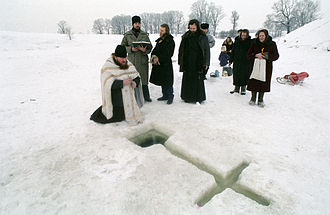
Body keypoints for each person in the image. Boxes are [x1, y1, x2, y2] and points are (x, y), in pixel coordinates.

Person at [90, 45, 144, 125]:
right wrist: (122, 83)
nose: (124, 60)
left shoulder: (128, 63)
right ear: (115, 57)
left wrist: (135, 82)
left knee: (125, 115)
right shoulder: (108, 66)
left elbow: (137, 76)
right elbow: (107, 84)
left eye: (125, 58)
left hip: (130, 100)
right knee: (113, 117)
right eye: (122, 58)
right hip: (116, 101)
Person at [121, 15, 153, 102]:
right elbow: (122, 48)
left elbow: (150, 48)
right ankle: (132, 97)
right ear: (132, 24)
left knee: (144, 79)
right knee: (132, 79)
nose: (137, 25)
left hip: (142, 61)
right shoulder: (127, 35)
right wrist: (131, 49)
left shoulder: (144, 35)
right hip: (132, 61)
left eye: (139, 23)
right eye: (135, 23)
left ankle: (146, 96)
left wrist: (144, 50)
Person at [178, 19, 210, 104]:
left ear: (197, 27)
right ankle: (187, 97)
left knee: (198, 80)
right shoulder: (186, 36)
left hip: (198, 61)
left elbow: (207, 50)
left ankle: (198, 97)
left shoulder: (202, 36)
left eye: (194, 28)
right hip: (188, 62)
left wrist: (206, 63)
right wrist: (180, 60)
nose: (192, 30)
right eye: (190, 28)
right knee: (187, 79)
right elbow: (181, 49)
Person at [247, 29, 279, 107]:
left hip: (266, 67)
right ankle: (253, 98)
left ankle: (260, 99)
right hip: (255, 66)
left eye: (263, 36)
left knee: (263, 82)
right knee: (254, 81)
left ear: (266, 36)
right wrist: (255, 55)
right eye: (260, 36)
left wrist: (266, 56)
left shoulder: (272, 44)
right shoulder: (254, 43)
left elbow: (276, 56)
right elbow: (248, 55)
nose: (261, 37)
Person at [150, 24, 175, 105]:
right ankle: (165, 95)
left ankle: (170, 96)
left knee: (168, 82)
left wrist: (158, 58)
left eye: (162, 30)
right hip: (159, 65)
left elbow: (169, 54)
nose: (160, 32)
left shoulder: (170, 41)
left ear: (166, 31)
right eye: (160, 30)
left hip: (166, 64)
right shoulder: (159, 40)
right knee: (162, 81)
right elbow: (154, 51)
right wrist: (154, 57)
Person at [229, 29, 252, 95]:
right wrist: (231, 60)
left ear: (247, 35)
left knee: (244, 75)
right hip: (237, 61)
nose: (243, 36)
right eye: (242, 35)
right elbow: (233, 51)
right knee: (236, 74)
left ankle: (243, 89)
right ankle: (236, 88)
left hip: (246, 62)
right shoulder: (237, 40)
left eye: (245, 35)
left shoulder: (250, 42)